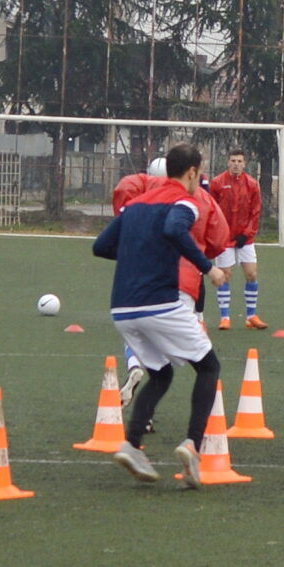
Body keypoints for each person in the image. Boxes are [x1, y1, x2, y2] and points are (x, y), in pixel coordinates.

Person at [93, 142, 222, 488]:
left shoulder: (134, 206)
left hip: (122, 309)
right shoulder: (186, 202)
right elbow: (174, 231)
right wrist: (208, 268)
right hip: (159, 304)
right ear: (192, 172)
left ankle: (132, 444)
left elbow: (101, 246)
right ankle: (193, 444)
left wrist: (140, 256)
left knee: (161, 374)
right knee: (209, 367)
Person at [207, 148, 267, 330]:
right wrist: (219, 234)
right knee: (225, 276)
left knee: (251, 273)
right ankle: (225, 317)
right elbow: (212, 210)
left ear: (245, 163)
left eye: (239, 161)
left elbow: (255, 212)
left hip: (244, 239)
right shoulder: (217, 183)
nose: (236, 164)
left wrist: (247, 234)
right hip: (224, 239)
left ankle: (251, 316)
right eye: (233, 160)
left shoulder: (252, 184)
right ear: (228, 162)